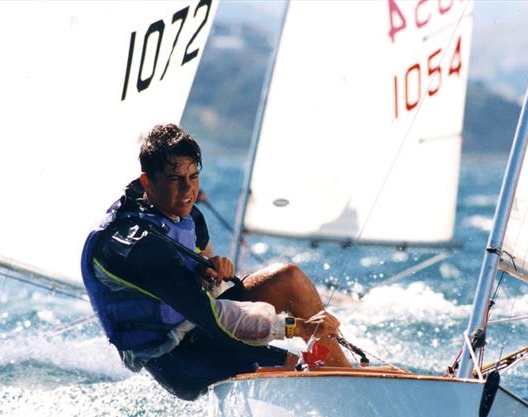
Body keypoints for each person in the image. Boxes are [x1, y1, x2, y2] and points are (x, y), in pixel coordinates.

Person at [81, 123, 352, 401]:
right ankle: (342, 394)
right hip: (177, 358)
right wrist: (297, 328)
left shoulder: (185, 214)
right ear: (148, 181)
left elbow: (198, 269)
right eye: (176, 179)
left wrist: (208, 269)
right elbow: (212, 318)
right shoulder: (138, 246)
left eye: (194, 177)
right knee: (295, 369)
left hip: (200, 327)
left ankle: (348, 381)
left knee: (289, 278)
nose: (189, 190)